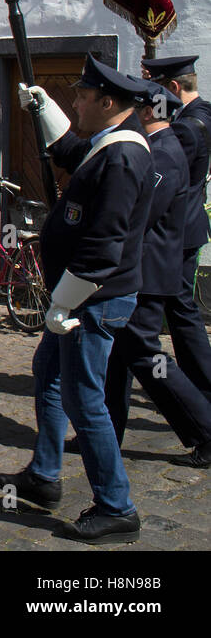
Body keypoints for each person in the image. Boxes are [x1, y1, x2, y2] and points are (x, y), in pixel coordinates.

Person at [0, 56, 153, 544]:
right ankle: (45, 475)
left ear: (107, 102)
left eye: (82, 97)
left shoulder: (124, 156)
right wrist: (42, 109)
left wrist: (64, 303)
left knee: (85, 401)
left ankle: (116, 505)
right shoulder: (108, 145)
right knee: (48, 375)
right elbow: (68, 151)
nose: (76, 101)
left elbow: (104, 245)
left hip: (92, 300)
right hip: (79, 297)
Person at [104, 81, 211, 466]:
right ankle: (104, 435)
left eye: (136, 108)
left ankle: (206, 428)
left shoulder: (164, 154)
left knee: (147, 357)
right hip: (143, 270)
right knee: (118, 357)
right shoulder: (161, 148)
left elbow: (142, 216)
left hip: (148, 274)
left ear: (149, 112)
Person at [140, 54, 211, 412]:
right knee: (181, 312)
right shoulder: (201, 114)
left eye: (153, 88)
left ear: (171, 88)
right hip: (188, 227)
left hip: (176, 232)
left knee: (181, 315)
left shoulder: (185, 127)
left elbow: (165, 181)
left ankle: (202, 390)